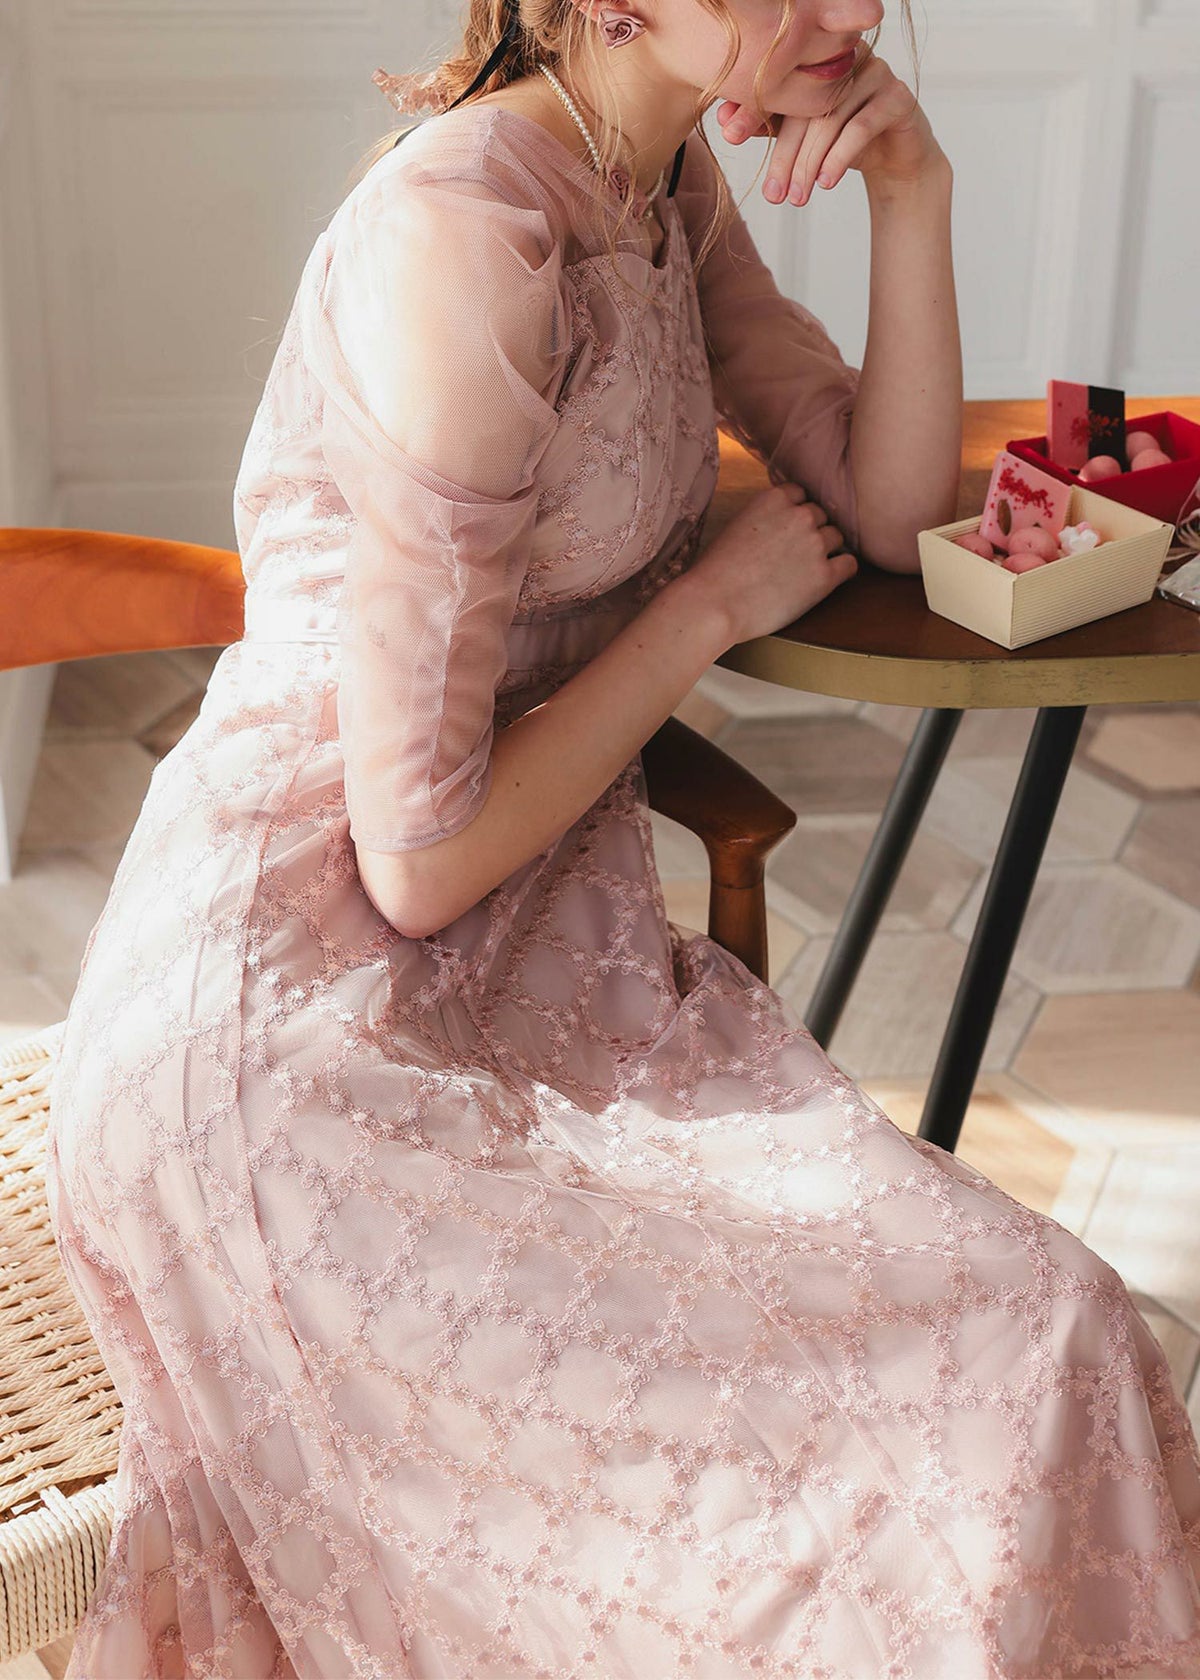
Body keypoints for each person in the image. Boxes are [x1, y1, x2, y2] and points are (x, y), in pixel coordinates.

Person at [43, 0, 1200, 1674]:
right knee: (879, 1469)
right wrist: (706, 612)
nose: (852, 13)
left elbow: (887, 511)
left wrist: (916, 190)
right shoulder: (464, 238)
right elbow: (413, 860)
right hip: (289, 1042)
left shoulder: (652, 183)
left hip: (534, 959)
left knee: (1051, 1334)